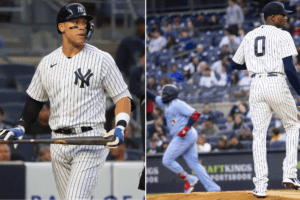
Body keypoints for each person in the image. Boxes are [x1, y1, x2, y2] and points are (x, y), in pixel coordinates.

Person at [0, 3, 135, 200]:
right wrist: (20, 126)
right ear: (61, 27)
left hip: (90, 140)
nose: (83, 27)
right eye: (76, 22)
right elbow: (35, 102)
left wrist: (120, 126)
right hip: (58, 142)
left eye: (85, 23)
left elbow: (123, 96)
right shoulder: (47, 62)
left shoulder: (102, 59)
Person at [229, 2, 300, 197]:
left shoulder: (249, 35)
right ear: (273, 17)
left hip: (256, 86)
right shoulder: (283, 35)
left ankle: (260, 187)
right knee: (293, 124)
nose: (286, 18)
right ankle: (290, 174)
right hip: (275, 81)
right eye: (283, 15)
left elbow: (234, 65)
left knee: (259, 135)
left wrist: (255, 63)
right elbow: (290, 69)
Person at [147, 84, 221, 193]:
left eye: (164, 93)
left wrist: (185, 129)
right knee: (194, 164)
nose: (162, 95)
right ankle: (214, 188)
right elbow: (153, 97)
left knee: (167, 160)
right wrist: (143, 90)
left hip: (185, 135)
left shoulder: (178, 104)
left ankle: (189, 179)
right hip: (186, 135)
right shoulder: (165, 103)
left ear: (170, 95)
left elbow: (195, 114)